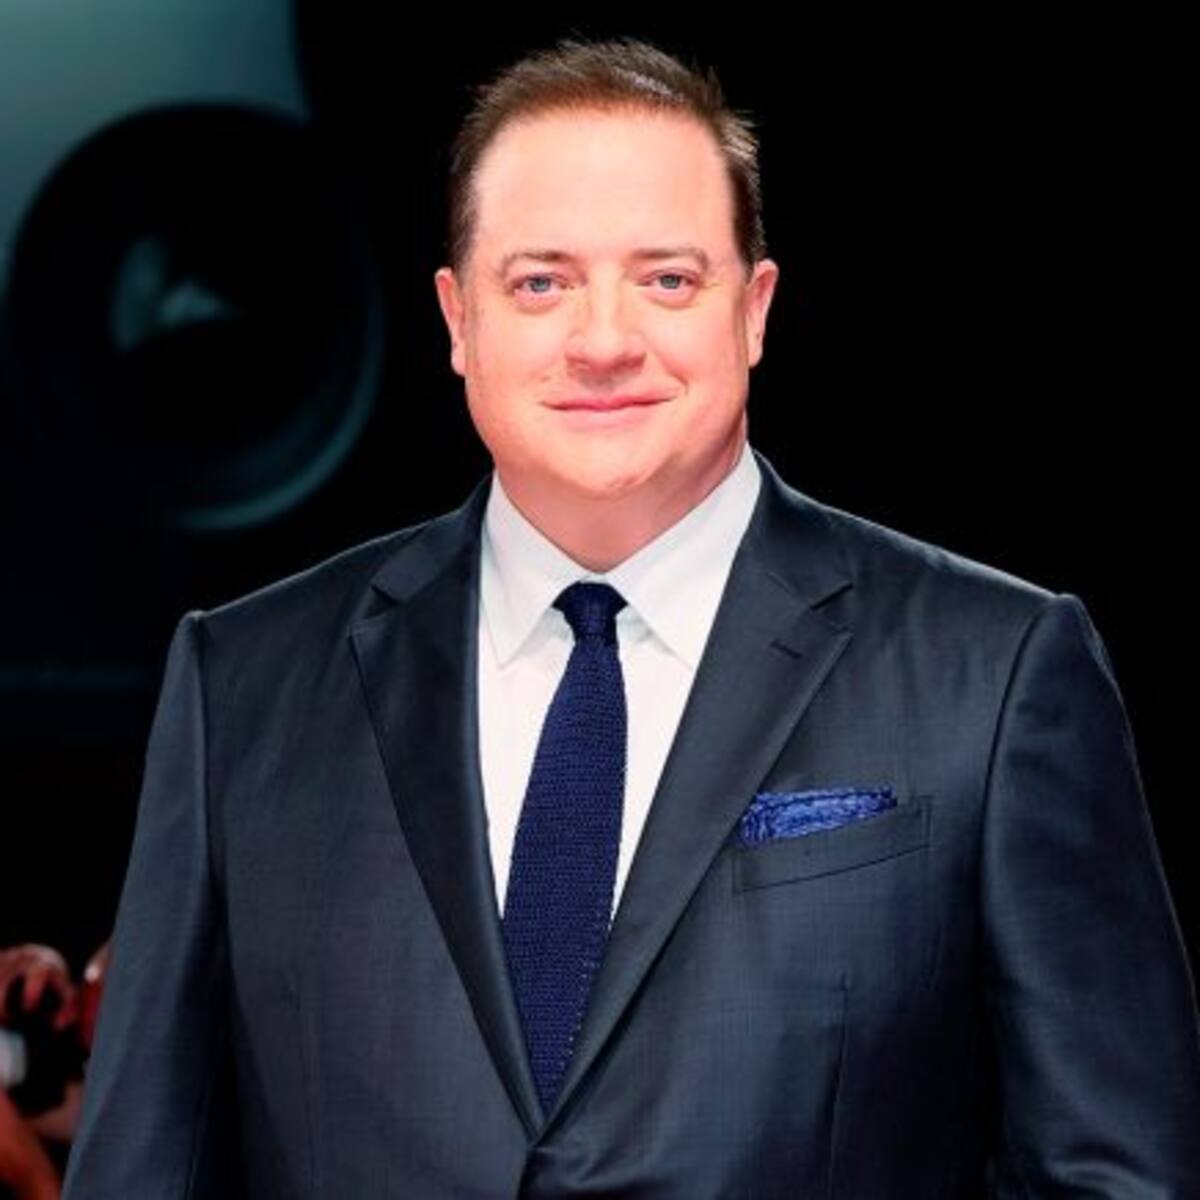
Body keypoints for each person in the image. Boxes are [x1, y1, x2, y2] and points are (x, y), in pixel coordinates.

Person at [63, 38, 1200, 1197]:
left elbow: (1109, 1175)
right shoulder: (241, 686)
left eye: (666, 279)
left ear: (753, 309)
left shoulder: (995, 674)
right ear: (458, 319)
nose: (604, 343)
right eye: (541, 283)